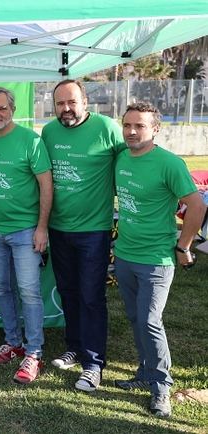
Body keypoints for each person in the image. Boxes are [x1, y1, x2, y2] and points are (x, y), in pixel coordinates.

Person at [113, 102, 205, 418]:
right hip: (124, 254)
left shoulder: (169, 163)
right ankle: (144, 373)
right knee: (137, 319)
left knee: (151, 321)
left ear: (155, 129)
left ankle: (161, 388)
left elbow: (197, 206)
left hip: (156, 259)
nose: (132, 131)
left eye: (139, 125)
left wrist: (184, 246)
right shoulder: (121, 157)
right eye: (127, 125)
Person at [40, 79, 125, 392]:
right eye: (60, 103)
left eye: (71, 102)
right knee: (68, 291)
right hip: (59, 229)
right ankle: (74, 347)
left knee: (91, 296)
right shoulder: (49, 132)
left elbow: (127, 163)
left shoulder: (107, 128)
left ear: (85, 102)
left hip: (93, 229)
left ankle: (93, 363)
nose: (66, 109)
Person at [0, 87, 53, 384]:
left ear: (12, 109)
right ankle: (13, 342)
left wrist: (41, 227)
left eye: (2, 108)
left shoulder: (30, 140)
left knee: (29, 291)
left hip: (26, 230)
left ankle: (33, 352)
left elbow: (46, 184)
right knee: (2, 288)